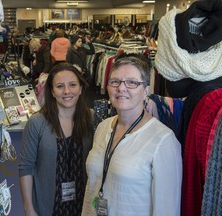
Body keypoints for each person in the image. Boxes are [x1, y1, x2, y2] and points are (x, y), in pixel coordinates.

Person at [81, 56, 182, 216]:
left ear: (146, 91)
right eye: (115, 81)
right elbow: (91, 187)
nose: (121, 88)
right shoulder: (103, 127)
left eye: (132, 82)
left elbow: (167, 209)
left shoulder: (163, 140)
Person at [19, 62, 94, 216]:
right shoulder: (37, 122)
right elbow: (26, 168)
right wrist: (29, 209)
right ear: (52, 91)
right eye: (60, 86)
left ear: (80, 88)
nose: (67, 91)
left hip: (84, 207)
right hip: (48, 207)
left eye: (72, 85)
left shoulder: (92, 120)